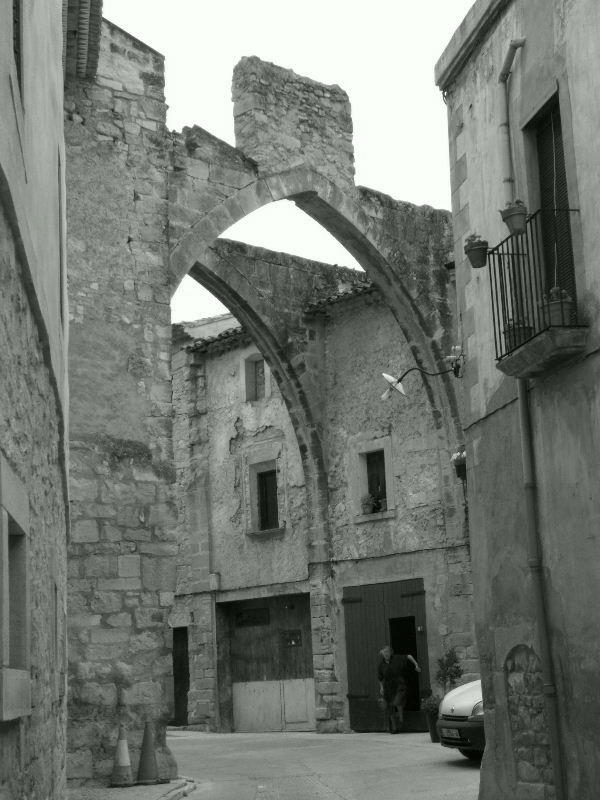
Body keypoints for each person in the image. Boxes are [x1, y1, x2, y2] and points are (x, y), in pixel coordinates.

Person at [377, 645, 421, 733]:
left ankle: (401, 719)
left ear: (391, 653)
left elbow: (409, 656)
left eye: (388, 652)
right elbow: (380, 678)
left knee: (396, 702)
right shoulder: (381, 665)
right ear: (382, 653)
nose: (386, 654)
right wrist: (381, 687)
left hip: (399, 685)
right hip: (388, 687)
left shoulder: (397, 659)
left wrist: (416, 664)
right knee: (390, 707)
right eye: (384, 652)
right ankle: (394, 728)